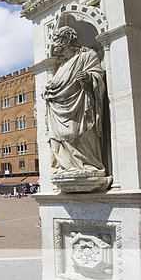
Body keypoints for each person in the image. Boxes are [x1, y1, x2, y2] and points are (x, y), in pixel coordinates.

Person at [44, 25, 106, 178]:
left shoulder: (87, 56)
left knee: (76, 133)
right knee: (58, 139)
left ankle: (89, 165)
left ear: (67, 40)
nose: (54, 44)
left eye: (57, 39)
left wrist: (88, 77)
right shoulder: (63, 65)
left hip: (79, 108)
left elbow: (97, 74)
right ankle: (65, 167)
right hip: (58, 111)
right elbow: (56, 86)